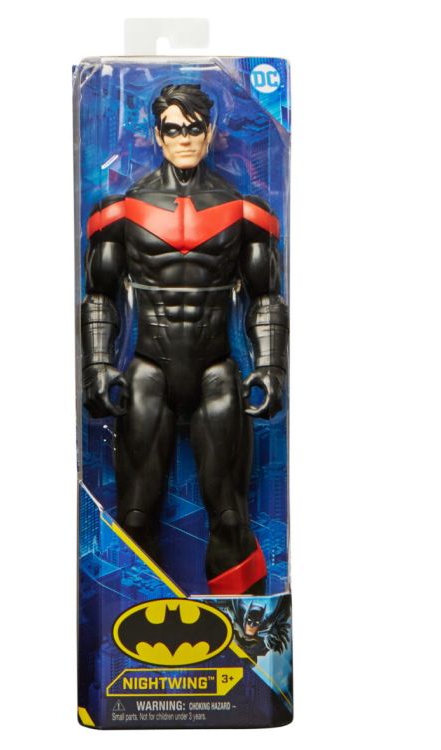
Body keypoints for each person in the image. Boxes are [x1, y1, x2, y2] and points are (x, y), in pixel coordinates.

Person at [81, 83, 288, 595]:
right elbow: (100, 296)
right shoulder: (121, 211)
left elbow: (266, 298)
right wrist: (96, 365)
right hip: (147, 373)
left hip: (216, 372)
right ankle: (133, 626)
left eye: (194, 128)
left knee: (231, 516)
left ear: (210, 131)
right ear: (158, 134)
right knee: (134, 517)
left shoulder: (244, 212)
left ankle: (241, 632)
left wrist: (271, 366)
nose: (185, 138)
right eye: (173, 129)